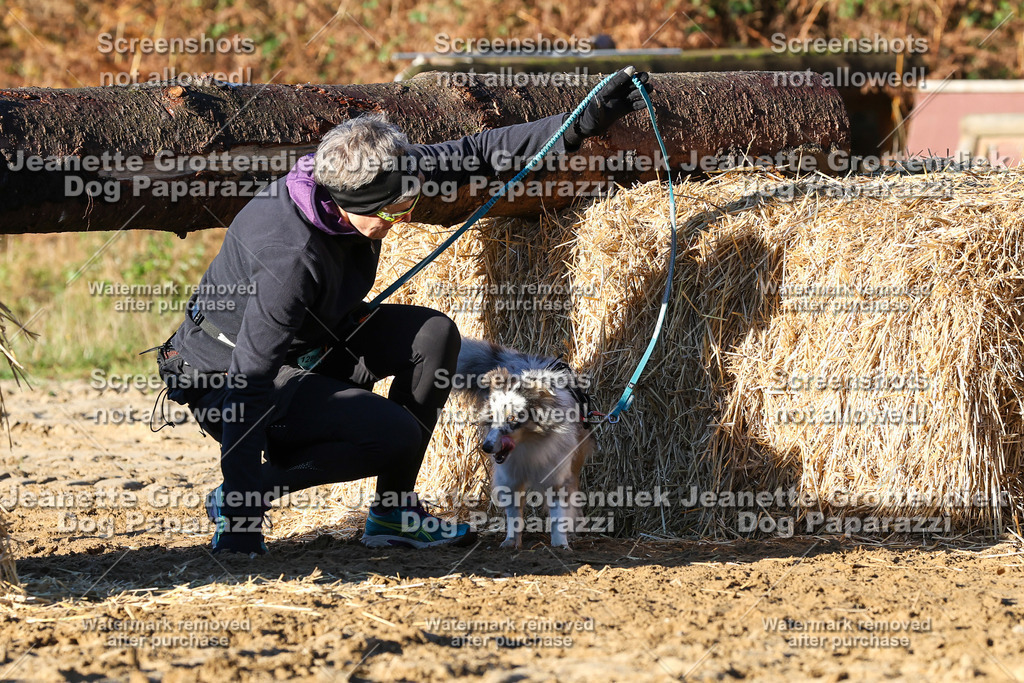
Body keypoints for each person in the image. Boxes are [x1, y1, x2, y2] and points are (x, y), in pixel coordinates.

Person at [155, 67, 653, 556]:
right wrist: (243, 521)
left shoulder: (368, 169)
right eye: (394, 212)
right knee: (392, 434)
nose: (407, 215)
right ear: (349, 203)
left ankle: (393, 514)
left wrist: (580, 123)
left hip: (308, 346)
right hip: (227, 378)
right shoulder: (288, 257)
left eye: (408, 200)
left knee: (433, 335)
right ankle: (243, 497)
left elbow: (474, 154)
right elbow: (250, 382)